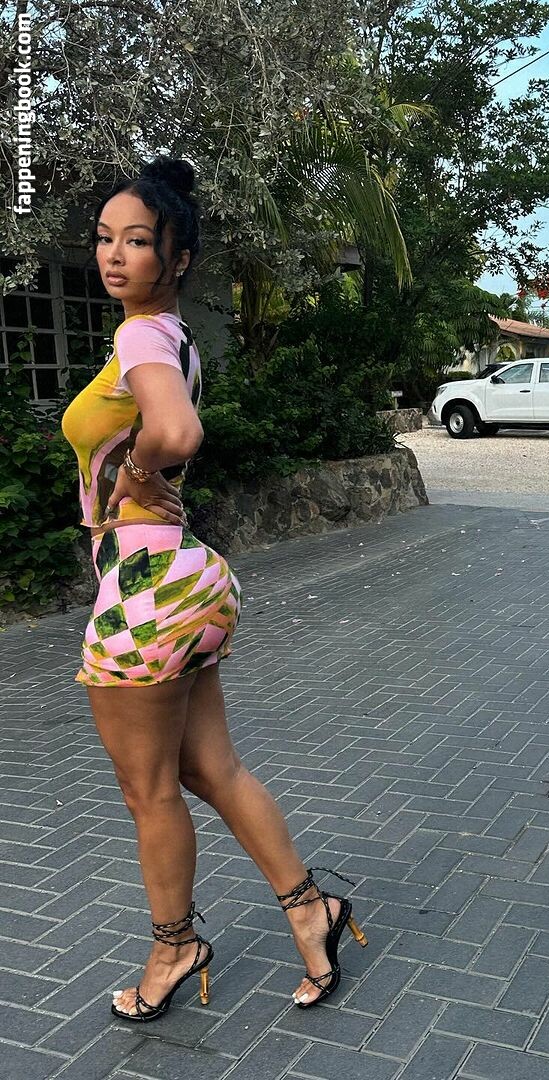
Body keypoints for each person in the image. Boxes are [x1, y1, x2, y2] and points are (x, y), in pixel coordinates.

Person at [60, 156, 367, 1022]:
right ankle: (311, 909)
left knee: (148, 791)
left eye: (137, 241)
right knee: (210, 768)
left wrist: (136, 470)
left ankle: (175, 947)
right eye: (104, 238)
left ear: (179, 257)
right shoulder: (176, 336)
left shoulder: (139, 337)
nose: (114, 255)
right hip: (189, 577)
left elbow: (177, 431)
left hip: (146, 589)